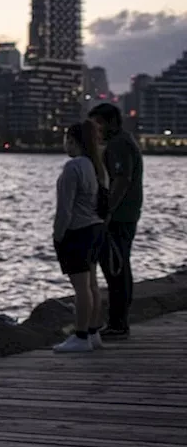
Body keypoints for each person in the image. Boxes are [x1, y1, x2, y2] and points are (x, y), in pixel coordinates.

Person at [51, 121, 109, 353]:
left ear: (73, 141)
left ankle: (81, 335)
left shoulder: (73, 167)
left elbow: (65, 209)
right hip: (96, 229)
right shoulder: (97, 167)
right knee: (92, 285)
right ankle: (93, 332)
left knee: (81, 288)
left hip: (78, 232)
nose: (65, 144)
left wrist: (57, 236)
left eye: (67, 139)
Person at [89, 103, 143, 340]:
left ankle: (118, 323)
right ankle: (118, 321)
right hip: (126, 214)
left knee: (116, 269)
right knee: (120, 267)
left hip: (119, 217)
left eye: (98, 124)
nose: (96, 130)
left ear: (110, 122)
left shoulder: (119, 144)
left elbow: (121, 180)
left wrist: (107, 209)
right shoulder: (124, 141)